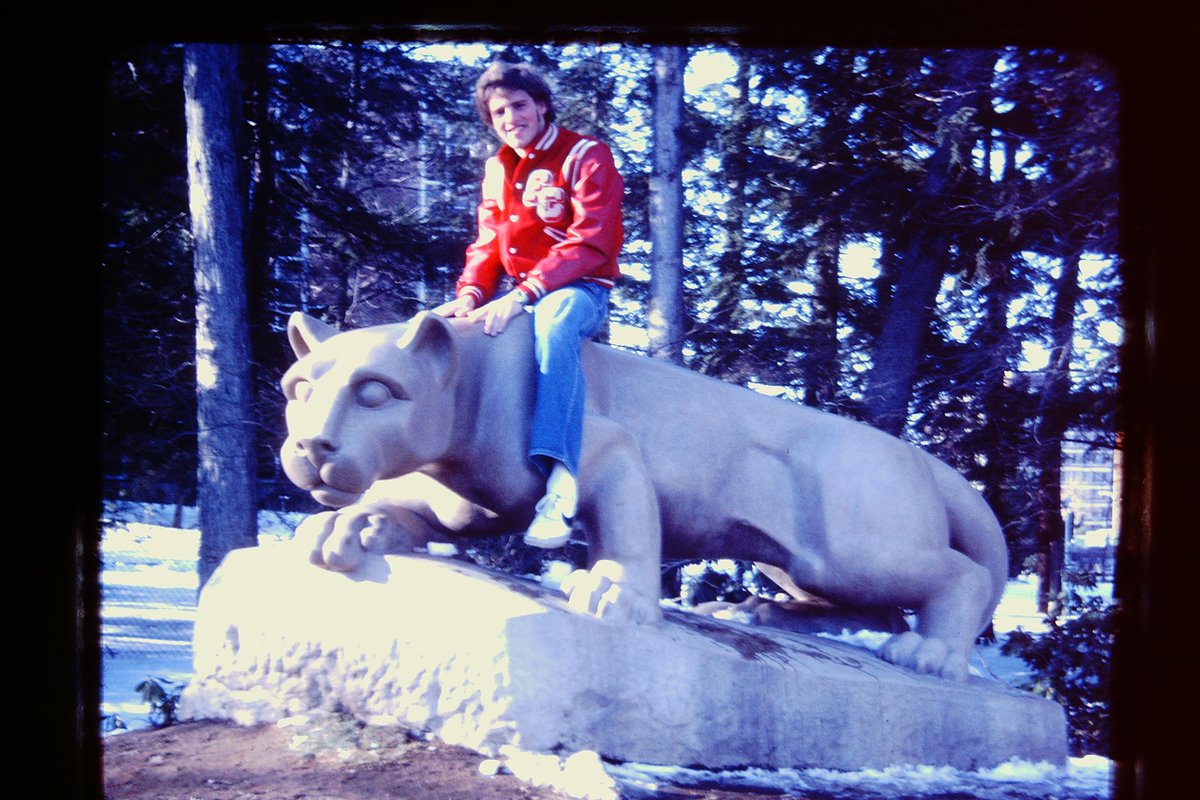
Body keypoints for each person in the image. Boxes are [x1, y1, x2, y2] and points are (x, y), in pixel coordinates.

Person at [433, 61, 624, 549]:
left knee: (554, 326)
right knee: (450, 330)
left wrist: (524, 294)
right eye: (499, 111)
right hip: (522, 291)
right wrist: (471, 294)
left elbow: (590, 242)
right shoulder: (497, 167)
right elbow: (487, 242)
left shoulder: (586, 154)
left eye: (519, 105)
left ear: (541, 105)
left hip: (579, 289)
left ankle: (561, 485)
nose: (510, 117)